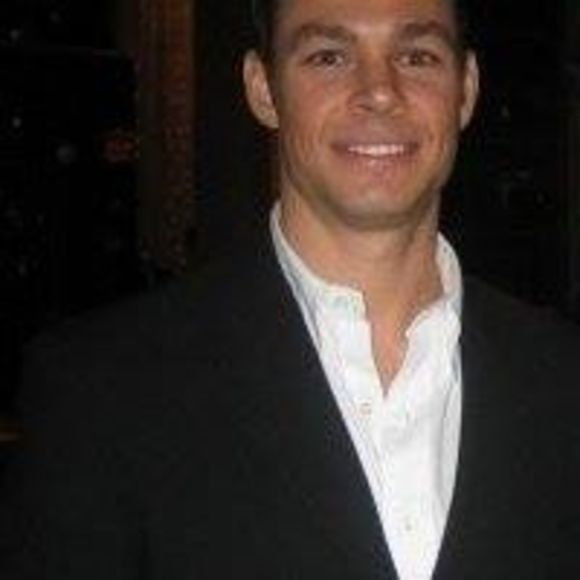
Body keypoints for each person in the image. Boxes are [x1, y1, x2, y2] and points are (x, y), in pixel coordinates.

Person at [1, 0, 579, 578]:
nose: (379, 91)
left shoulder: (561, 378)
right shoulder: (101, 389)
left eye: (416, 56)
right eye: (329, 56)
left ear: (466, 89)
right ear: (263, 88)